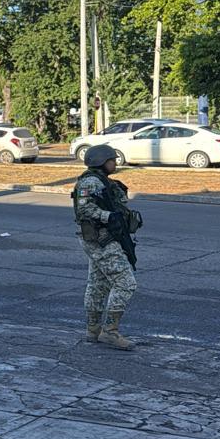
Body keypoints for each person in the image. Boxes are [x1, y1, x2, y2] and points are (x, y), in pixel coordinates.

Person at [72, 144, 141, 350]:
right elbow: (83, 210)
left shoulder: (103, 182)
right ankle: (110, 332)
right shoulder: (90, 182)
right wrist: (109, 216)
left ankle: (93, 330)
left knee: (98, 283)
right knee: (126, 283)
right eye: (112, 159)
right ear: (102, 161)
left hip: (106, 238)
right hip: (100, 239)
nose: (115, 163)